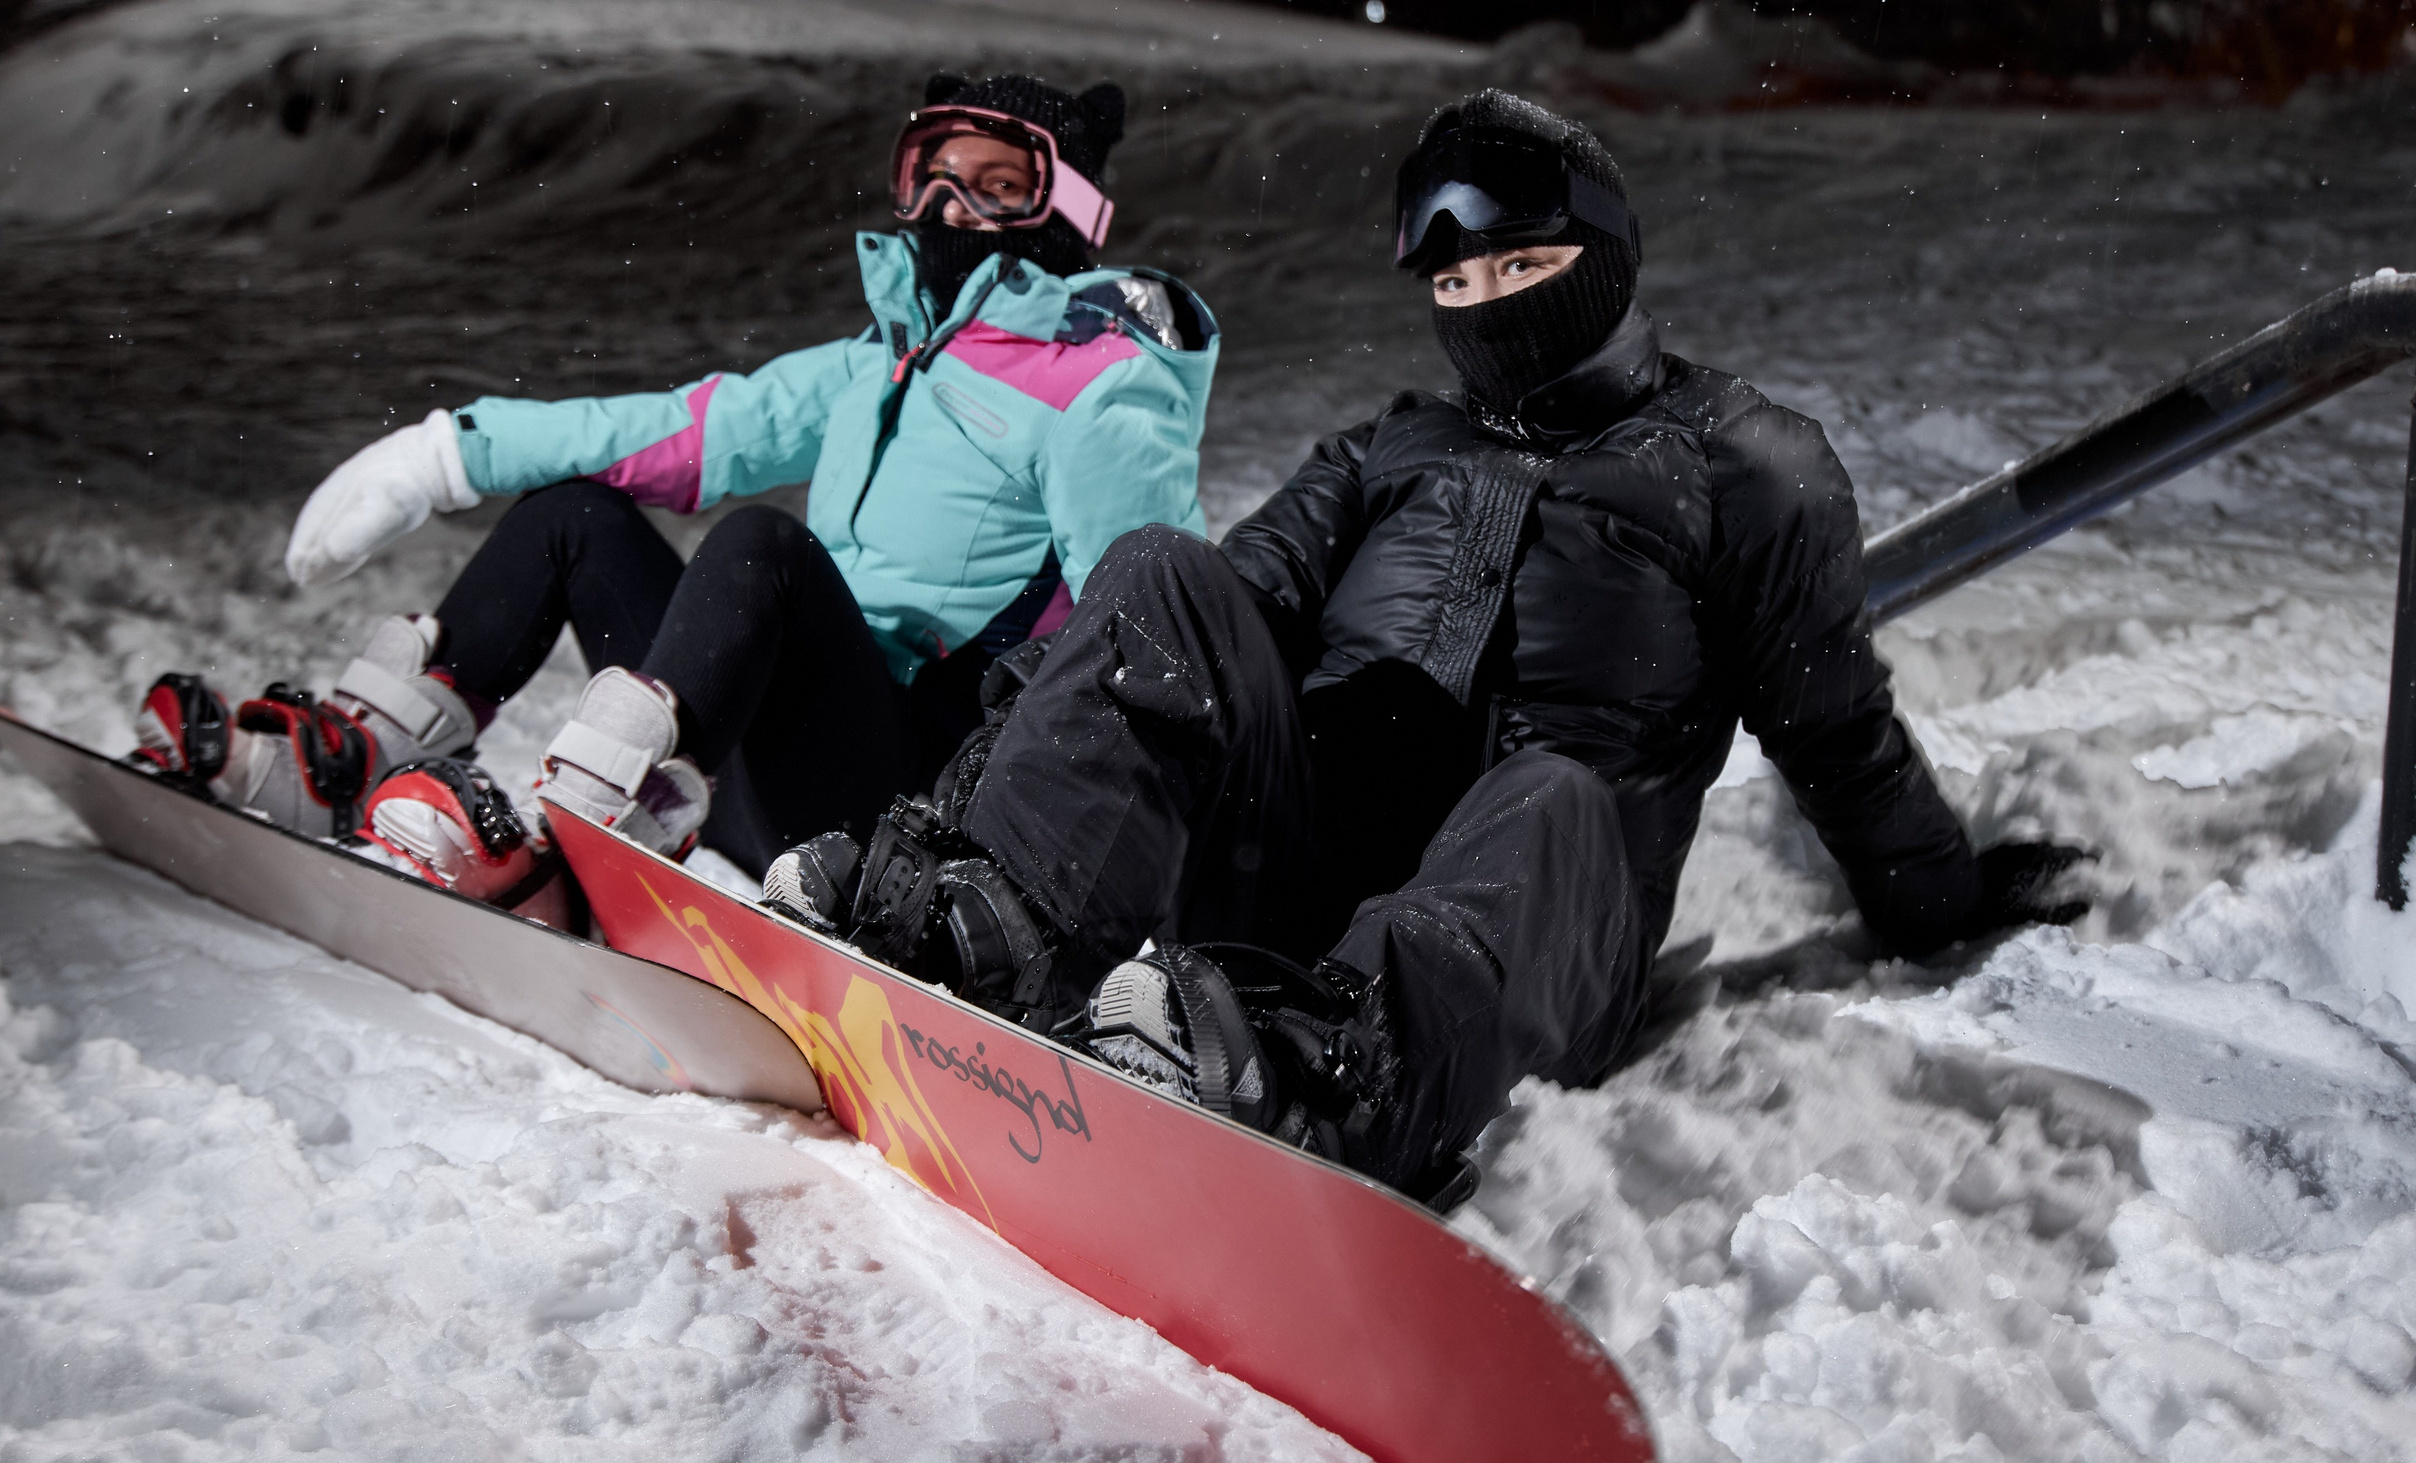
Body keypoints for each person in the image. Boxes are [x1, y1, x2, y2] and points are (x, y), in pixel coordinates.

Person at [765, 89, 2092, 1213]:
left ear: (1606, 256)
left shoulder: (1744, 464)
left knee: (1553, 789)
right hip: (1304, 863)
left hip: (1534, 932)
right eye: (1455, 281)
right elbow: (1197, 615)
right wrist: (962, 804)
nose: (1486, 306)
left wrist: (1943, 898)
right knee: (1160, 572)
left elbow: (1832, 723)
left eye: (1519, 269)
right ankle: (982, 925)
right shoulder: (1393, 448)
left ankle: (1316, 1078)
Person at [131, 72, 1219, 917]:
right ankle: (348, 762)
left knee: (763, 552)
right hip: (750, 766)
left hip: (899, 806)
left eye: (995, 182)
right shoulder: (879, 362)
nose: (945, 204)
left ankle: (596, 832)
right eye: (929, 171)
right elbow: (680, 430)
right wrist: (446, 454)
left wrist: (1079, 877)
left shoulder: (1104, 390)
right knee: (574, 517)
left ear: (1064, 206)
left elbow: (1154, 630)